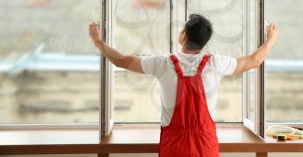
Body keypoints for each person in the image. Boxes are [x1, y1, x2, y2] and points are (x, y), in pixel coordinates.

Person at [88, 14, 278, 157]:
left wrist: (98, 41)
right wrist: (270, 40)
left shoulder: (163, 63)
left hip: (174, 147)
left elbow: (121, 61)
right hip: (205, 146)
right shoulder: (216, 64)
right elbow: (254, 60)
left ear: (184, 35)